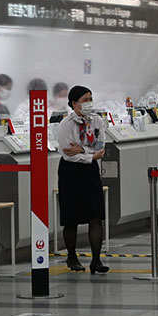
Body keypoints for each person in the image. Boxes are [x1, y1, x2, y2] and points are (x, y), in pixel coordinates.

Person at [56, 85, 108, 274]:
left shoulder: (97, 121)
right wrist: (89, 154)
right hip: (71, 172)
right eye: (85, 100)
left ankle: (96, 260)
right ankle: (71, 256)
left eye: (90, 99)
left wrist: (83, 151)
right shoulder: (66, 124)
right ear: (74, 103)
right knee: (72, 217)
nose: (89, 103)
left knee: (96, 215)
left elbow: (100, 147)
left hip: (90, 172)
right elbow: (67, 153)